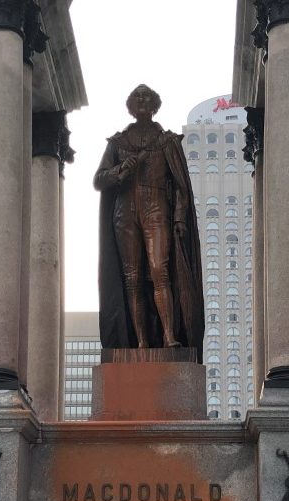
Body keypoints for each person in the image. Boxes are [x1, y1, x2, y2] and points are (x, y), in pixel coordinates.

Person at [94, 84, 204, 353]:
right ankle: (141, 341)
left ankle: (169, 336)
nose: (142, 100)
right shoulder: (118, 143)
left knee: (159, 271)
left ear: (155, 104)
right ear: (131, 105)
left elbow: (180, 184)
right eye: (137, 97)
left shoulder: (166, 141)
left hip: (157, 208)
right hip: (124, 211)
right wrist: (121, 168)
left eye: (147, 97)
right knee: (132, 278)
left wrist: (179, 218)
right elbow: (99, 180)